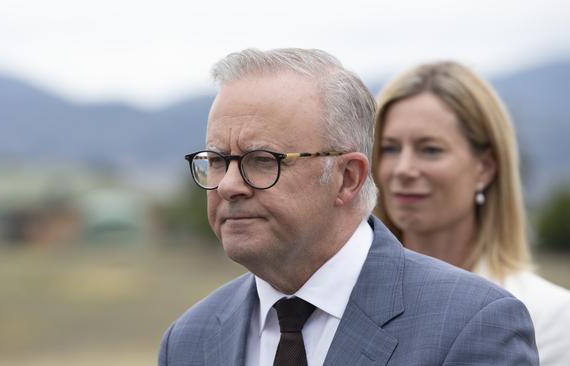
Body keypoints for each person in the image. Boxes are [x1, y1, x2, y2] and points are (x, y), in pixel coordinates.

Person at [159, 48, 539, 366]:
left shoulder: (472, 325)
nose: (228, 185)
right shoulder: (190, 341)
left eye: (262, 160)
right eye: (218, 159)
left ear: (348, 178)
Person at [372, 60, 570, 366]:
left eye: (430, 149)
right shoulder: (349, 295)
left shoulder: (546, 314)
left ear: (485, 168)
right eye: (390, 148)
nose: (403, 169)